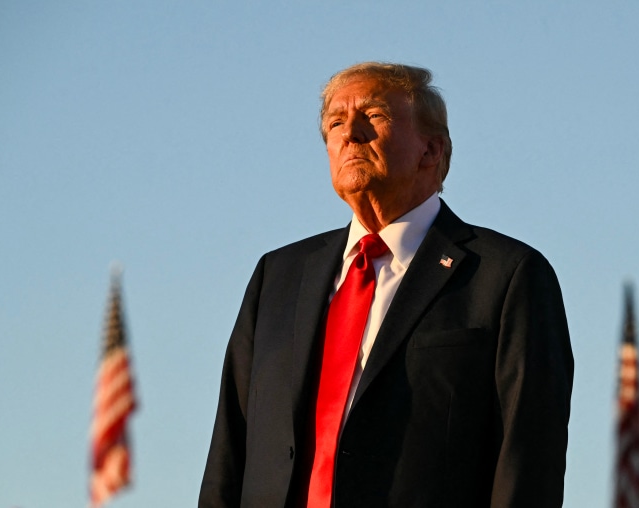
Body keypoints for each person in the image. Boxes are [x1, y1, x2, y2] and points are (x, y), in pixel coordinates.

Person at [199, 62, 573, 508]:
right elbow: (230, 449)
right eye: (335, 123)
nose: (349, 134)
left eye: (373, 117)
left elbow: (528, 464)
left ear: (431, 150)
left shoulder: (507, 276)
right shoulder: (276, 277)